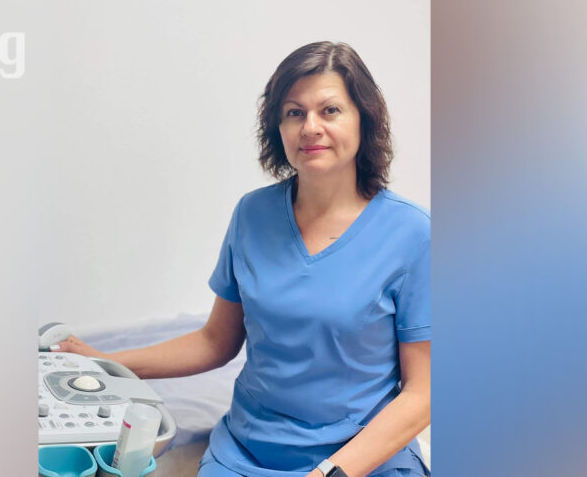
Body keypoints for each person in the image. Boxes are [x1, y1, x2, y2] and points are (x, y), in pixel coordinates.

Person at [54, 41, 431, 477]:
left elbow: (422, 394)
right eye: (294, 112)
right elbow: (216, 341)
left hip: (359, 461)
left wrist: (329, 473)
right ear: (278, 128)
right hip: (248, 453)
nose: (310, 127)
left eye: (330, 110)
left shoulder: (412, 234)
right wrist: (106, 363)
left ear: (364, 119)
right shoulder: (253, 214)